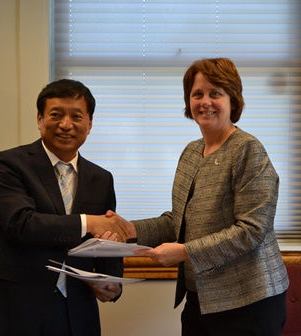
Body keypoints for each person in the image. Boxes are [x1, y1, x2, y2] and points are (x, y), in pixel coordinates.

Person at [110, 58, 289, 335]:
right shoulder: (191, 152)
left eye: (215, 93)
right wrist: (130, 229)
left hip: (248, 301)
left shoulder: (248, 151)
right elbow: (179, 221)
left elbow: (251, 231)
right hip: (200, 298)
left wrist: (184, 252)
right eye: (197, 94)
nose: (205, 101)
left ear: (233, 100)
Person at [0, 79, 129, 336]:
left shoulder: (101, 178)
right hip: (17, 308)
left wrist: (113, 283)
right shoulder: (8, 163)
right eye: (56, 115)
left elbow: (107, 238)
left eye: (77, 116)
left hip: (77, 310)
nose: (66, 124)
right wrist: (89, 221)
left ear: (89, 124)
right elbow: (20, 224)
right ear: (40, 119)